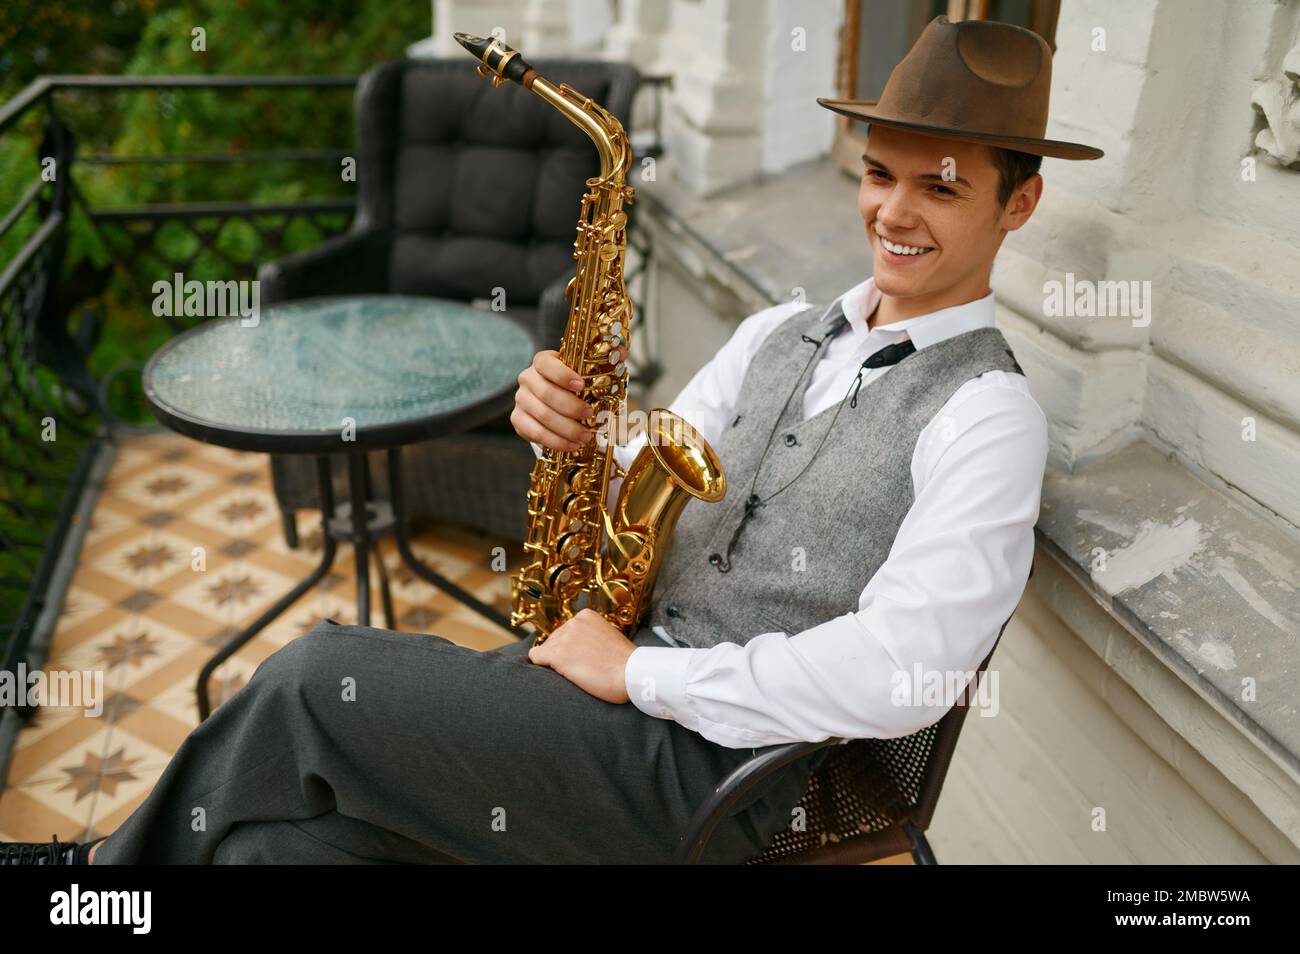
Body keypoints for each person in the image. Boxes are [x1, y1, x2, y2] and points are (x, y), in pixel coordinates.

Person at [2, 15, 1101, 865]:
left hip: (721, 779)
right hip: (609, 702)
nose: (894, 212)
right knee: (269, 850)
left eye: (941, 187)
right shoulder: (777, 331)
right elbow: (646, 461)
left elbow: (904, 672)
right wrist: (572, 434)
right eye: (878, 172)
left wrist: (643, 678)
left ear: (1019, 203)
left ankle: (90, 878)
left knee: (311, 676)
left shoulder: (987, 417)